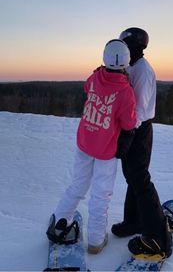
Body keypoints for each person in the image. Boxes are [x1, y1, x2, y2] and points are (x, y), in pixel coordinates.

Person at [46, 39, 137, 254]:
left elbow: (88, 87)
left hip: (85, 142)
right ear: (127, 61)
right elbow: (129, 123)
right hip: (106, 150)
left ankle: (60, 222)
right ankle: (96, 241)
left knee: (77, 185)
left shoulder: (95, 77)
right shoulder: (125, 91)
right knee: (101, 194)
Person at [111, 27, 173, 260]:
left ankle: (157, 237)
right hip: (133, 129)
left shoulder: (142, 70)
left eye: (126, 46)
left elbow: (139, 109)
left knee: (140, 179)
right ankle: (134, 221)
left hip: (139, 130)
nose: (124, 50)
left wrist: (128, 134)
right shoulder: (132, 67)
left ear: (137, 47)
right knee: (132, 177)